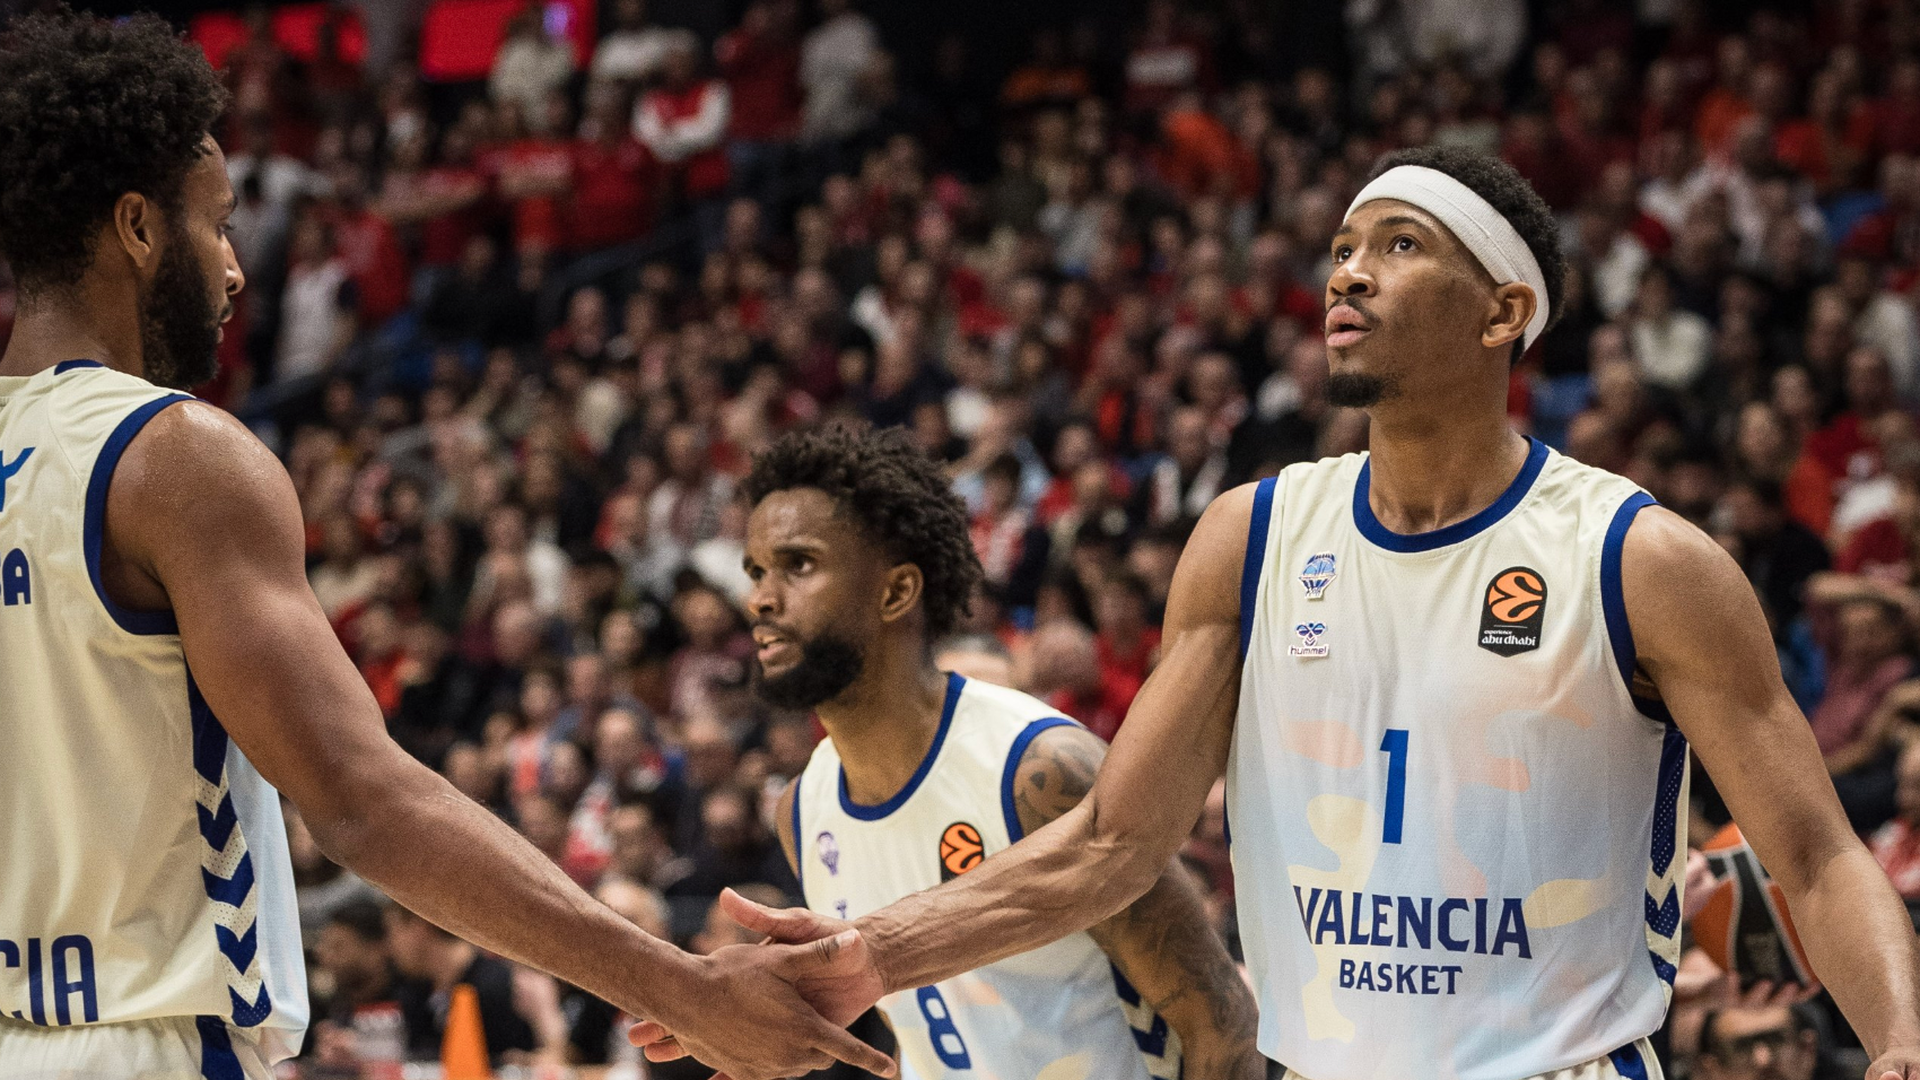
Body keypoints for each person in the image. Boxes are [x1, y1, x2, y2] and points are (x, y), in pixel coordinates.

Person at [639, 147, 1920, 1080]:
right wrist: (869, 956)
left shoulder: (1640, 559)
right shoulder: (1251, 539)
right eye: (1342, 251)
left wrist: (1902, 1042)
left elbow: (1813, 853)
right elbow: (1110, 846)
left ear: (1505, 311)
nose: (1350, 272)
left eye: (1400, 245)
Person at [0, 14, 890, 1080]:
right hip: (148, 1045)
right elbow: (362, 803)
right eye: (215, 224)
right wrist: (681, 986)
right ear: (138, 228)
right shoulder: (168, 457)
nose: (235, 268)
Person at [730, 424, 1262, 1078]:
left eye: (798, 565)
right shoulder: (803, 812)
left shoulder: (1040, 769)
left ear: (896, 592)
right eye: (755, 570)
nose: (759, 597)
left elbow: (1223, 1024)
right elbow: (933, 1030)